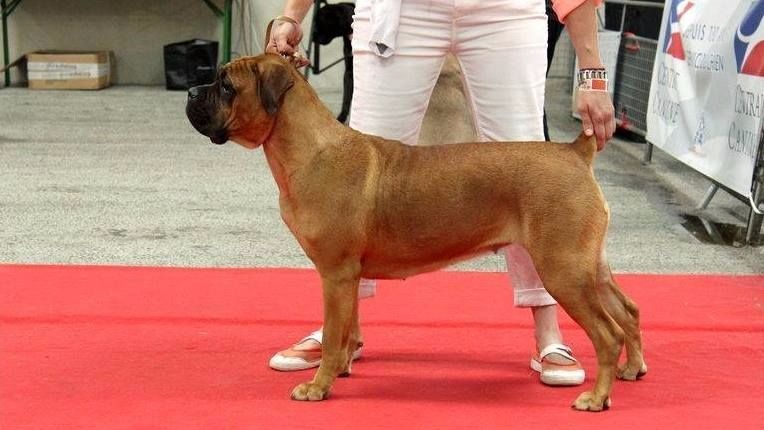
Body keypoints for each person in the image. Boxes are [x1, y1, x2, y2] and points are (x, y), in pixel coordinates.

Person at [265, 0, 615, 386]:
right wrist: (291, 15)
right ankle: (342, 334)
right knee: (357, 160)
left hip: (505, 10)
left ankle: (550, 334)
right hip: (401, 9)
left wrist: (592, 72)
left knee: (527, 166)